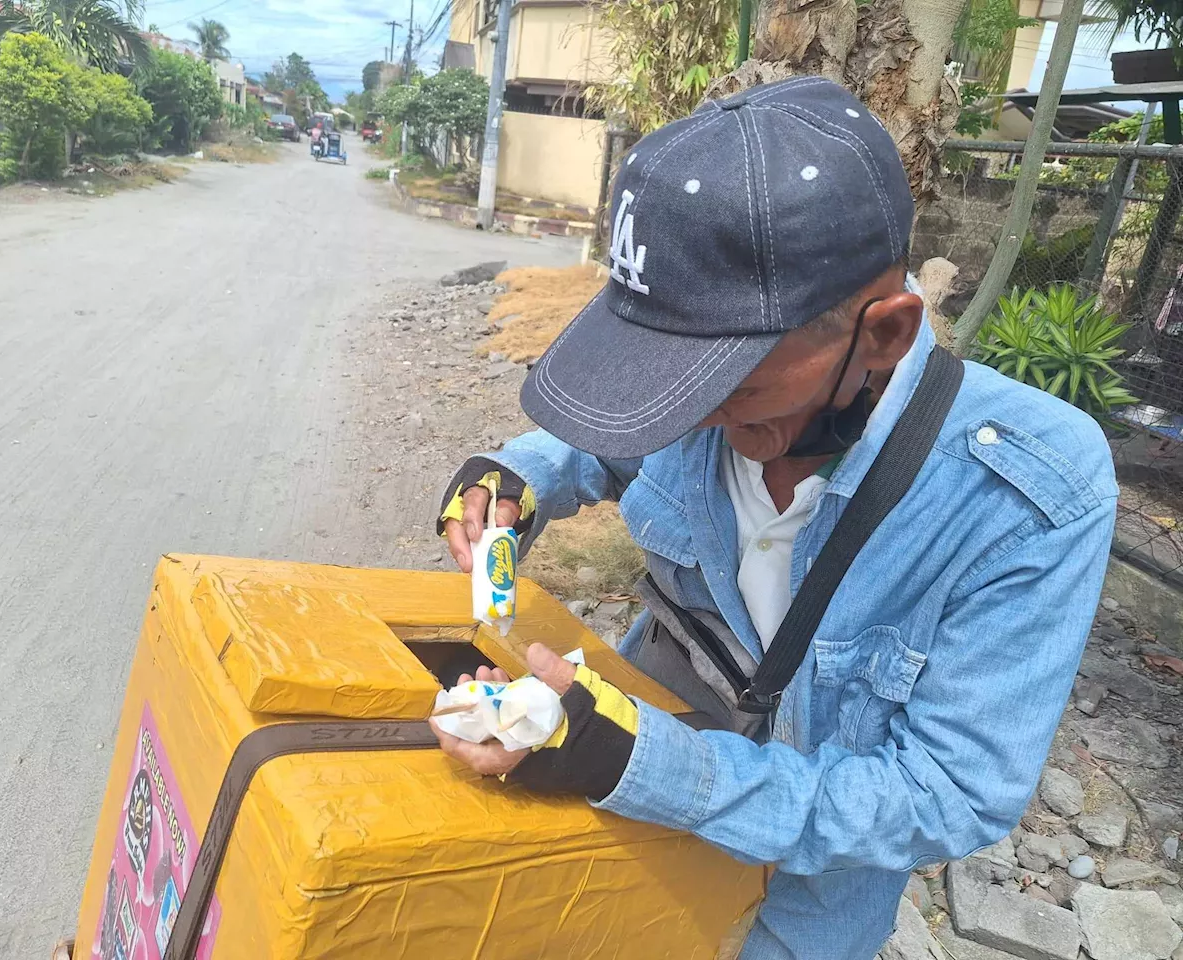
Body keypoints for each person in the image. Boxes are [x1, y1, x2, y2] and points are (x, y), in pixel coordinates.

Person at [431, 76, 1117, 959]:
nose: (689, 417)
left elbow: (949, 791)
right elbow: (610, 446)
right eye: (663, 383)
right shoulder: (713, 398)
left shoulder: (1029, 494)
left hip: (792, 912)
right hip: (609, 820)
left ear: (885, 333)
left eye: (727, 388)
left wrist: (638, 764)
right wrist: (517, 472)